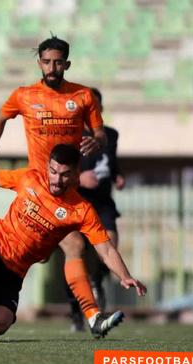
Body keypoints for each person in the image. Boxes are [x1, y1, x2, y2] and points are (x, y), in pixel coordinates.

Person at [0, 123, 146, 342]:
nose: (57, 179)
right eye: (53, 171)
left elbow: (106, 250)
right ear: (48, 167)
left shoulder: (81, 210)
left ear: (76, 174)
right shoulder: (30, 178)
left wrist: (124, 275)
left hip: (14, 270)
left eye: (64, 175)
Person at [0, 35, 108, 333]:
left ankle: (90, 316)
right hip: (38, 189)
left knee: (75, 245)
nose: (52, 68)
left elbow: (101, 133)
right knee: (36, 253)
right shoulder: (24, 95)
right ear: (39, 63)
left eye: (58, 63)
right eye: (47, 62)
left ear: (67, 64)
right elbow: (0, 118)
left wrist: (96, 140)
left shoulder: (83, 96)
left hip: (68, 190)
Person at [66, 87, 125, 332]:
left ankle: (97, 281)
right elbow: (58, 169)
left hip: (103, 202)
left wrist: (118, 175)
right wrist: (79, 179)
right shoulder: (70, 134)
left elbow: (111, 162)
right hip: (77, 202)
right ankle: (76, 311)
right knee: (76, 252)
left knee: (110, 246)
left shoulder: (110, 135)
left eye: (96, 107)